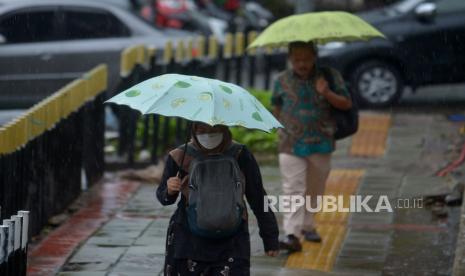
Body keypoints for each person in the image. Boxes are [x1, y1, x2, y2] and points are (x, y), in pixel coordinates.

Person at [156, 122, 279, 275]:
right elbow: (164, 198)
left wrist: (270, 238)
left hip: (232, 240)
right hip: (189, 239)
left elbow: (258, 197)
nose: (208, 134)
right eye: (202, 130)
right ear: (194, 130)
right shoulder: (179, 156)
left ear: (224, 129)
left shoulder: (240, 154)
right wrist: (170, 189)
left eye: (214, 130)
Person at [271, 41, 352, 252]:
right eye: (297, 59)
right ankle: (291, 234)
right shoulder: (281, 80)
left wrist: (326, 93)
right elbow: (276, 106)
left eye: (306, 59)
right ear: (290, 59)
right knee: (292, 189)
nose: (302, 64)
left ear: (315, 57)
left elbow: (346, 104)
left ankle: (308, 225)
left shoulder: (329, 76)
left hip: (321, 142)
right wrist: (272, 127)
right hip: (290, 142)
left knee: (315, 190)